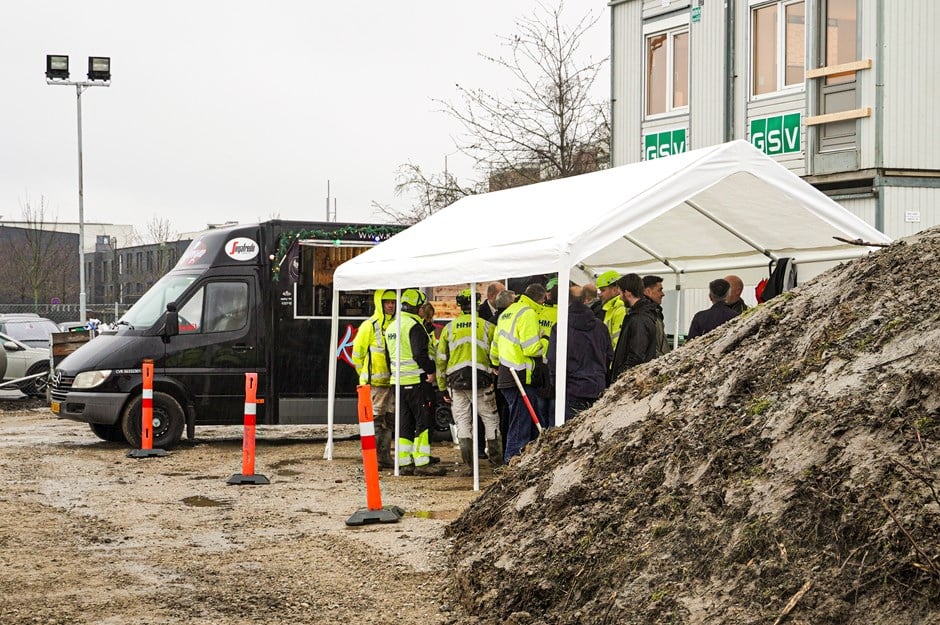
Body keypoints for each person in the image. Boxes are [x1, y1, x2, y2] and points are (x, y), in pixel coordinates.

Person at [436, 289, 502, 475]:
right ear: (477, 303)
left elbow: (441, 360)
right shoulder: (488, 327)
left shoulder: (450, 328)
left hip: (457, 383)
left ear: (459, 305)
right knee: (490, 419)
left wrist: (442, 386)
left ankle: (469, 466)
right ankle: (496, 463)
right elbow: (496, 354)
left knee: (463, 422)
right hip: (483, 380)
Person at [384, 288, 446, 476]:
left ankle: (405, 463)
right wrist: (430, 370)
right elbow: (419, 353)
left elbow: (388, 356)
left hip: (398, 381)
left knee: (404, 423)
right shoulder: (414, 326)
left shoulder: (393, 326)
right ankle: (422, 463)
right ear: (417, 308)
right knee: (423, 421)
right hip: (417, 381)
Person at [490, 283, 546, 463]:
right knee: (521, 419)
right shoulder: (527, 312)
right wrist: (545, 341)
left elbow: (494, 351)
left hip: (507, 374)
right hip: (520, 375)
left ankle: (521, 456)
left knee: (519, 417)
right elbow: (531, 349)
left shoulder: (506, 314)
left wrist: (496, 364)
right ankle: (513, 458)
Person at [547, 285, 612, 421]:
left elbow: (553, 360)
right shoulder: (601, 327)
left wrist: (556, 385)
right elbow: (609, 355)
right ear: (585, 300)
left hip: (571, 390)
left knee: (567, 437)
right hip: (597, 388)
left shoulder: (560, 328)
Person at [350, 289, 397, 469]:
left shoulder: (397, 324)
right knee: (374, 422)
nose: (390, 305)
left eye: (393, 302)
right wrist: (365, 376)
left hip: (392, 383)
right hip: (375, 385)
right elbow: (357, 354)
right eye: (387, 302)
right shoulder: (369, 326)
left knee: (389, 422)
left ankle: (384, 457)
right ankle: (372, 459)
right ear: (380, 303)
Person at [609, 273, 659, 382]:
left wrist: (620, 378)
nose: (620, 297)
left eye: (620, 293)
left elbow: (636, 356)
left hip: (630, 382)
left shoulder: (639, 319)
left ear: (627, 293)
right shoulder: (638, 316)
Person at [595, 270, 626, 350]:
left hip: (614, 360)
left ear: (615, 290)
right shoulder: (610, 308)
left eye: (603, 290)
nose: (600, 294)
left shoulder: (620, 308)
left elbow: (618, 341)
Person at [642, 275, 670, 357]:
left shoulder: (656, 312)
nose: (663, 294)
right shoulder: (644, 315)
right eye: (660, 290)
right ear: (648, 291)